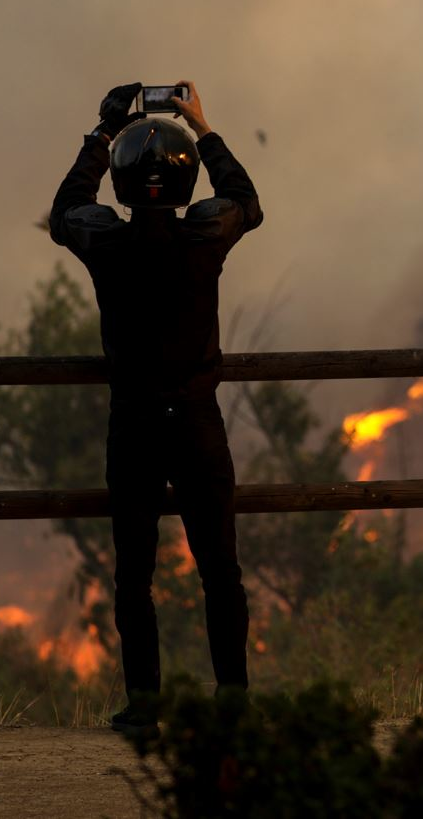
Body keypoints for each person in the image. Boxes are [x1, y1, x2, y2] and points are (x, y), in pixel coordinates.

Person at [48, 81, 263, 735]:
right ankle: (232, 701)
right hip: (197, 423)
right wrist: (202, 126)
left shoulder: (106, 242)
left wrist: (101, 134)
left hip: (134, 424)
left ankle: (146, 705)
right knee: (219, 567)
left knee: (134, 571)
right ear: (187, 178)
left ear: (119, 181)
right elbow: (247, 204)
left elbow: (65, 213)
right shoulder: (205, 236)